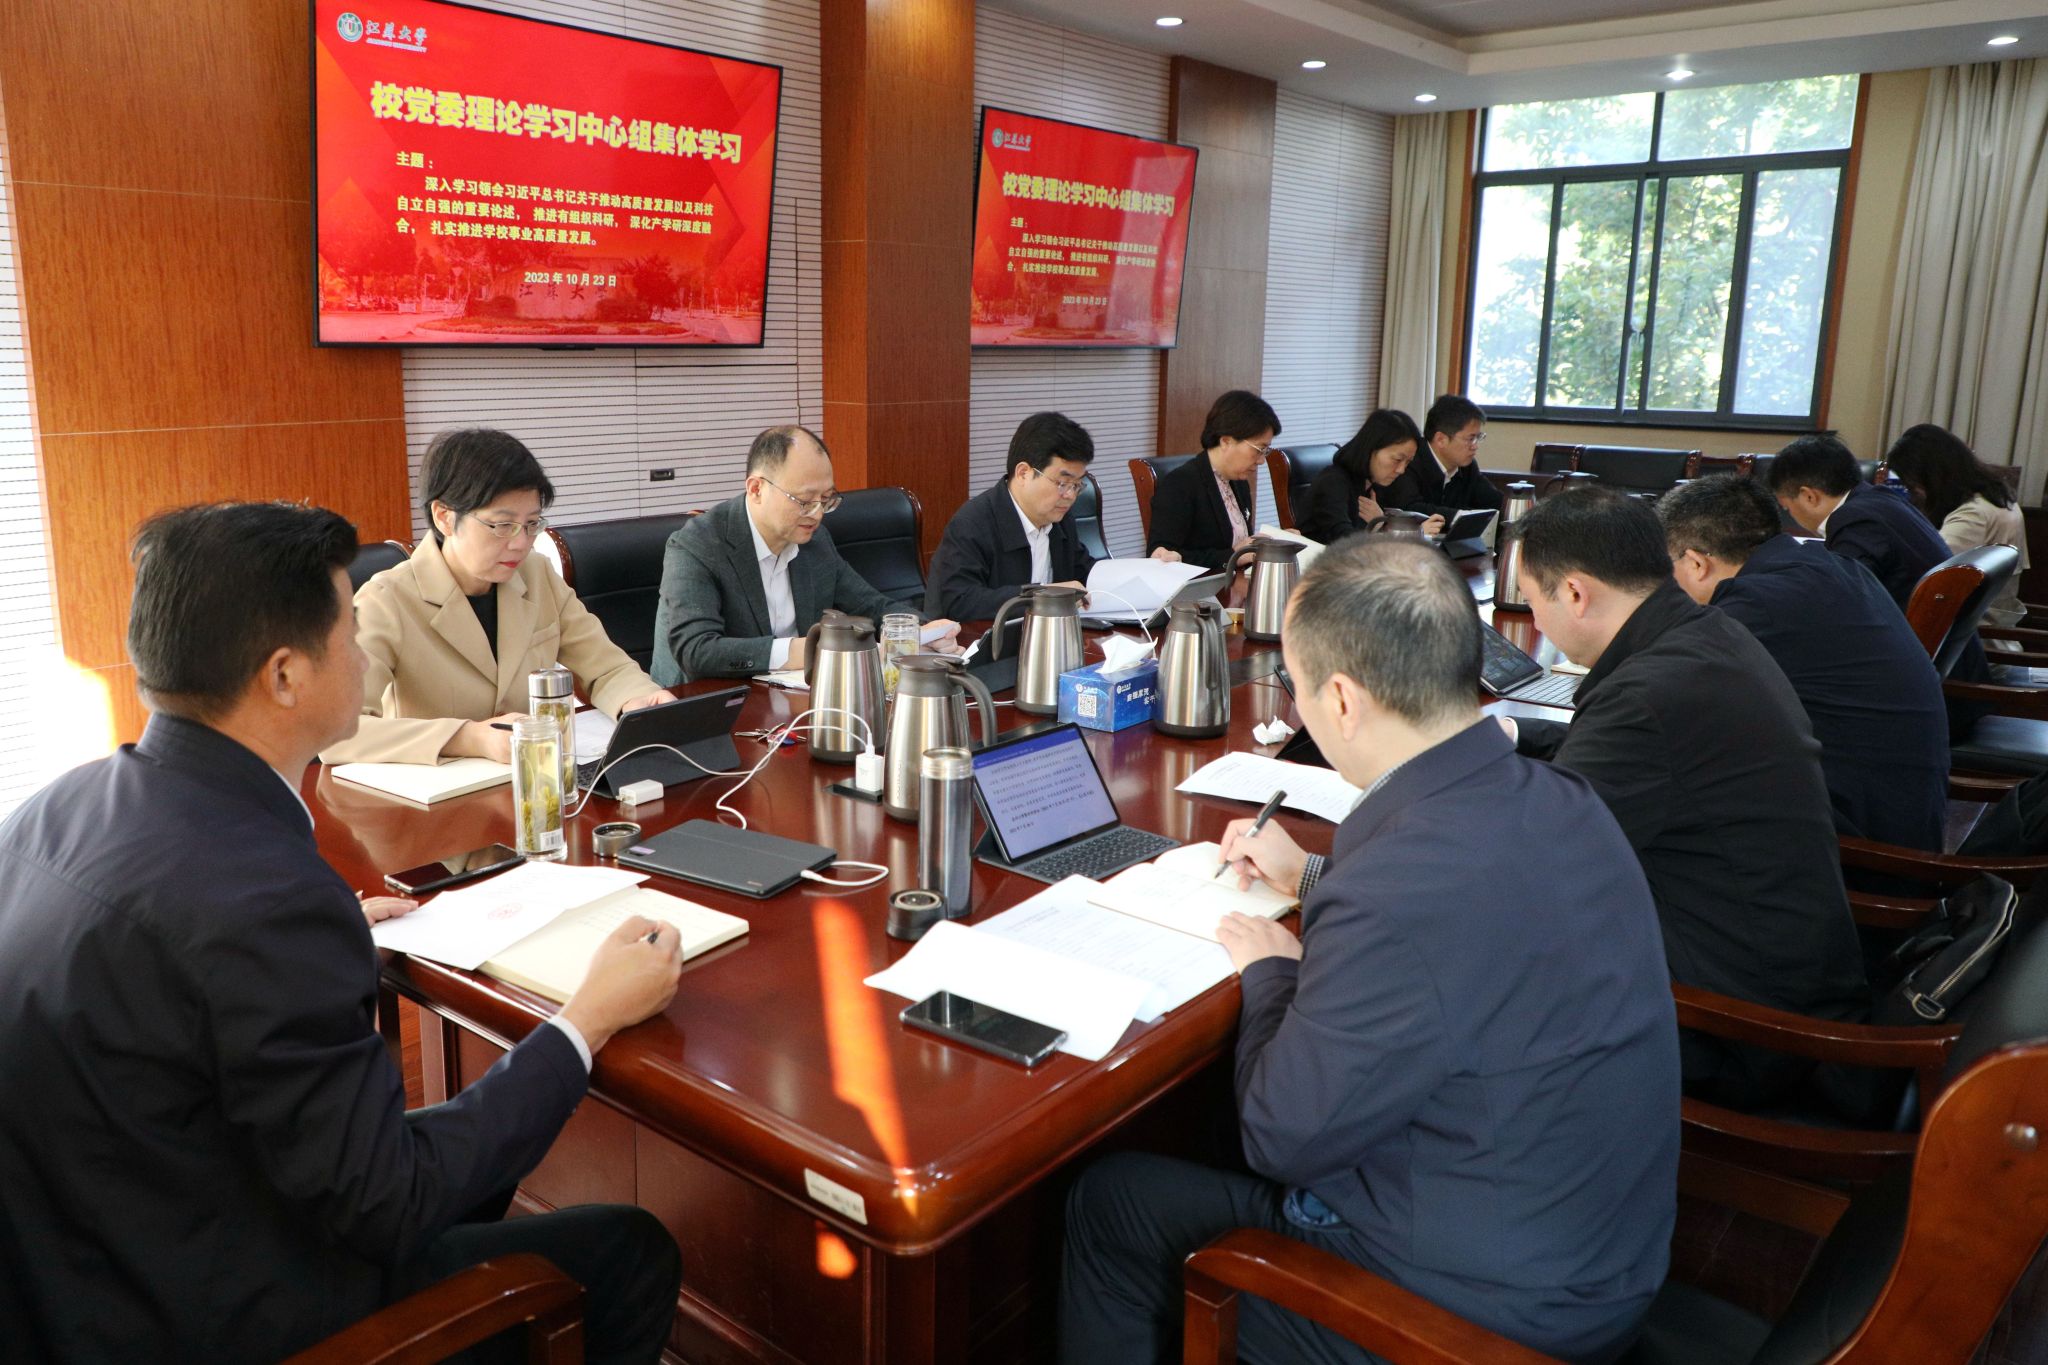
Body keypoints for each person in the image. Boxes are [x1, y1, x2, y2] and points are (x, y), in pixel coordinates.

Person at [0, 502, 684, 1363]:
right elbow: (390, 1201)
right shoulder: (265, 902)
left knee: (478, 1144)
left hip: (88, 1271)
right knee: (628, 1250)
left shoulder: (53, 809)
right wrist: (586, 1019)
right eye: (349, 633)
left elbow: (173, 968)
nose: (363, 656)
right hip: (219, 1311)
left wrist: (299, 947)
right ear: (285, 675)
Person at [1059, 536, 1679, 1365]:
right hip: (1600, 1254)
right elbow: (1466, 926)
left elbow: (1278, 1137)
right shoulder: (1562, 796)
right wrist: (1312, 877)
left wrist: (1273, 971)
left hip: (1481, 1320)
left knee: (1111, 1201)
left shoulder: (1394, 889)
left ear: (1343, 700)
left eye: (1297, 686)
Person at [1511, 486, 1869, 1107]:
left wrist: (1332, 865)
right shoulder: (1702, 635)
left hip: (1737, 1028)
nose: (1535, 621)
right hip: (1783, 970)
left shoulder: (1645, 696)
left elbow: (1525, 866)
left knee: (1475, 971)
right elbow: (1637, 767)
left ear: (1574, 592)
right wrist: (1516, 734)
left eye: (1532, 600)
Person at [321, 428, 674, 766]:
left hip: (530, 781)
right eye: (502, 526)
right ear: (444, 517)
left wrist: (639, 700)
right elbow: (337, 732)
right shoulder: (386, 601)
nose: (520, 543)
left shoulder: (536, 575)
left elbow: (606, 667)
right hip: (435, 796)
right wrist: (468, 737)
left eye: (532, 524)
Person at [1660, 475, 1948, 852]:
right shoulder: (1827, 565)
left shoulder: (1755, 603)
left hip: (1864, 848)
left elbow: (1663, 695)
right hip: (1906, 813)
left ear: (1696, 563)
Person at [650, 425, 959, 684]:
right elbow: (697, 651)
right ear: (756, 489)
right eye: (804, 500)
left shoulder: (814, 541)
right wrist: (804, 649)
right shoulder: (697, 545)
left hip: (789, 702)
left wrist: (919, 630)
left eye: (826, 499)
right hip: (706, 709)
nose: (817, 513)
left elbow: (870, 604)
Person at [1767, 432, 1990, 732]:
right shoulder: (1880, 500)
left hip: (1933, 701)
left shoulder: (1857, 521)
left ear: (1809, 496)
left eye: (1786, 506)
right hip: (1949, 677)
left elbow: (1838, 604)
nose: (1790, 515)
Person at [928, 411, 1169, 620]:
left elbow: (1086, 575)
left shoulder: (1060, 519)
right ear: (1023, 473)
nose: (1070, 495)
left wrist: (1153, 570)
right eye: (1062, 483)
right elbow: (959, 601)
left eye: (1077, 485)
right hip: (989, 648)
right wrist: (1043, 595)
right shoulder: (973, 523)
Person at [1885, 423, 2031, 629]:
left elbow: (1930, 575)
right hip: (1985, 622)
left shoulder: (1973, 515)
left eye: (1913, 485)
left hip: (1973, 633)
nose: (1914, 493)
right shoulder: (1997, 497)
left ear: (1932, 476)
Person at [1144, 389, 1275, 569]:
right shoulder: (1181, 484)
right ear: (1226, 441)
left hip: (1235, 582)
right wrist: (1233, 556)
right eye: (1259, 450)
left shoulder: (1239, 482)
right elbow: (1162, 558)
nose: (1261, 460)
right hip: (1202, 586)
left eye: (1266, 451)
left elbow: (1240, 544)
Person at [1297, 408, 1444, 544]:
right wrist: (1400, 532)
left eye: (1407, 462)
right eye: (1397, 459)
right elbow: (1345, 541)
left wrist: (1386, 525)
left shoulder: (1375, 482)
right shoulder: (1332, 482)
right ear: (1371, 449)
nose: (1401, 470)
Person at [1389, 393, 1503, 520]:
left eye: (1478, 437)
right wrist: (1460, 516)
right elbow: (1410, 509)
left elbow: (1494, 501)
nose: (1475, 446)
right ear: (1441, 439)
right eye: (1470, 439)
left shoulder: (1467, 466)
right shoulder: (1410, 461)